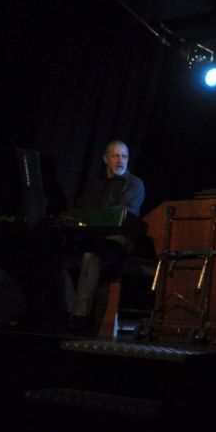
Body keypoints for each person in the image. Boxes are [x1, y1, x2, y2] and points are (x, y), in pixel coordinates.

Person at [61, 140, 145, 332]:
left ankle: (80, 317)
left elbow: (125, 213)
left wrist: (95, 217)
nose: (120, 160)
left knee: (91, 256)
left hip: (118, 239)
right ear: (106, 159)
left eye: (124, 156)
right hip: (92, 238)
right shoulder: (95, 185)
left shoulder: (134, 183)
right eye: (115, 156)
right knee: (60, 256)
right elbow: (79, 211)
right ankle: (66, 310)